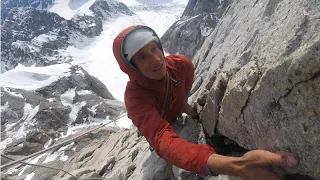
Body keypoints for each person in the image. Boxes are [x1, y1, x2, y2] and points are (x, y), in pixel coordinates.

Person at [112, 25, 298, 180]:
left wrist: (183, 102)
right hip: (159, 126)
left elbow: (188, 74)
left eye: (154, 48)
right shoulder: (135, 98)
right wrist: (238, 166)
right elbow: (162, 139)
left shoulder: (179, 64)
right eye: (142, 57)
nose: (156, 59)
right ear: (131, 68)